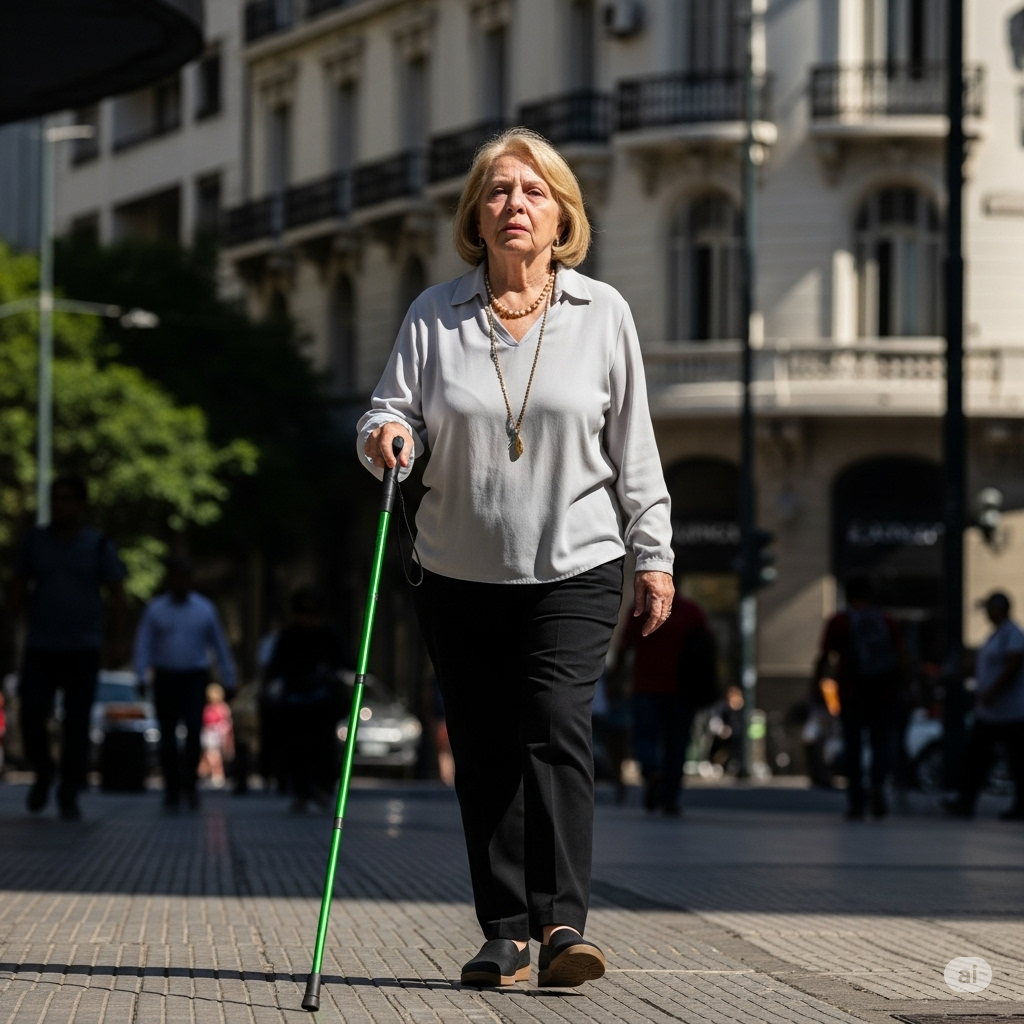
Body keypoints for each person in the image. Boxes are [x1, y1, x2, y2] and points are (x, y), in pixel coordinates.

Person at [357, 128, 674, 989]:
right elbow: (389, 412)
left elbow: (634, 446)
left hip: (577, 561)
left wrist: (654, 554)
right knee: (485, 744)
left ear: (562, 214)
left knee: (556, 727)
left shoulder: (602, 313)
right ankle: (505, 932)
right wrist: (385, 436)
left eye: (534, 192)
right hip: (457, 569)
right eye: (498, 191)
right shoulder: (435, 314)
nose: (515, 206)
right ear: (475, 215)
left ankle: (563, 923)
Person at [4, 476, 127, 820]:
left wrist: (118, 639)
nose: (61, 506)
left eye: (68, 499)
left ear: (81, 504)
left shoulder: (98, 545)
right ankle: (43, 769)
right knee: (31, 714)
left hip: (82, 647)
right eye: (56, 499)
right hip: (41, 646)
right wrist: (7, 628)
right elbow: (17, 587)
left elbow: (117, 593)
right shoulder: (35, 542)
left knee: (77, 723)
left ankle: (70, 790)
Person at [133, 556, 235, 810]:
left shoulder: (204, 609)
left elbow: (219, 645)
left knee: (193, 731)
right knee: (167, 734)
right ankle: (172, 788)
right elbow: (143, 644)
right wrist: (141, 675)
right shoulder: (156, 609)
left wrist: (228, 677)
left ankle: (190, 785)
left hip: (194, 676)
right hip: (166, 676)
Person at [620, 592, 717, 815]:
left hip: (648, 685)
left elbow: (626, 644)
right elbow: (706, 644)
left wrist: (617, 676)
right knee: (677, 743)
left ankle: (653, 771)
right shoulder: (690, 611)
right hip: (680, 688)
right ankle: (669, 795)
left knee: (644, 735)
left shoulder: (642, 609)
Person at [816, 575, 904, 820]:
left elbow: (825, 655)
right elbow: (901, 655)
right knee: (880, 744)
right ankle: (877, 788)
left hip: (851, 692)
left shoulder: (840, 621)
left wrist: (817, 684)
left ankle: (856, 800)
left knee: (853, 747)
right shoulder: (886, 620)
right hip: (882, 693)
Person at [943, 591, 1024, 820]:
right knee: (976, 758)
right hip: (990, 712)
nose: (987, 614)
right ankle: (965, 801)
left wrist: (994, 692)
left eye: (990, 608)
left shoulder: (1013, 634)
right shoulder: (995, 635)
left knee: (1016, 760)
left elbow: (1012, 666)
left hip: (1010, 713)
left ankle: (1019, 806)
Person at [265, 587, 346, 813]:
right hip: (295, 703)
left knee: (324, 748)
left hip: (322, 703)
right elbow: (276, 667)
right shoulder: (289, 636)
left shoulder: (328, 636)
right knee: (296, 749)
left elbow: (343, 661)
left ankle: (322, 788)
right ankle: (301, 792)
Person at [199, 683, 234, 788]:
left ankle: (218, 774)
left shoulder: (223, 708)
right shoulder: (207, 707)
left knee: (214, 756)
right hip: (208, 734)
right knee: (208, 756)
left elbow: (227, 722)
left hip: (218, 734)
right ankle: (206, 774)